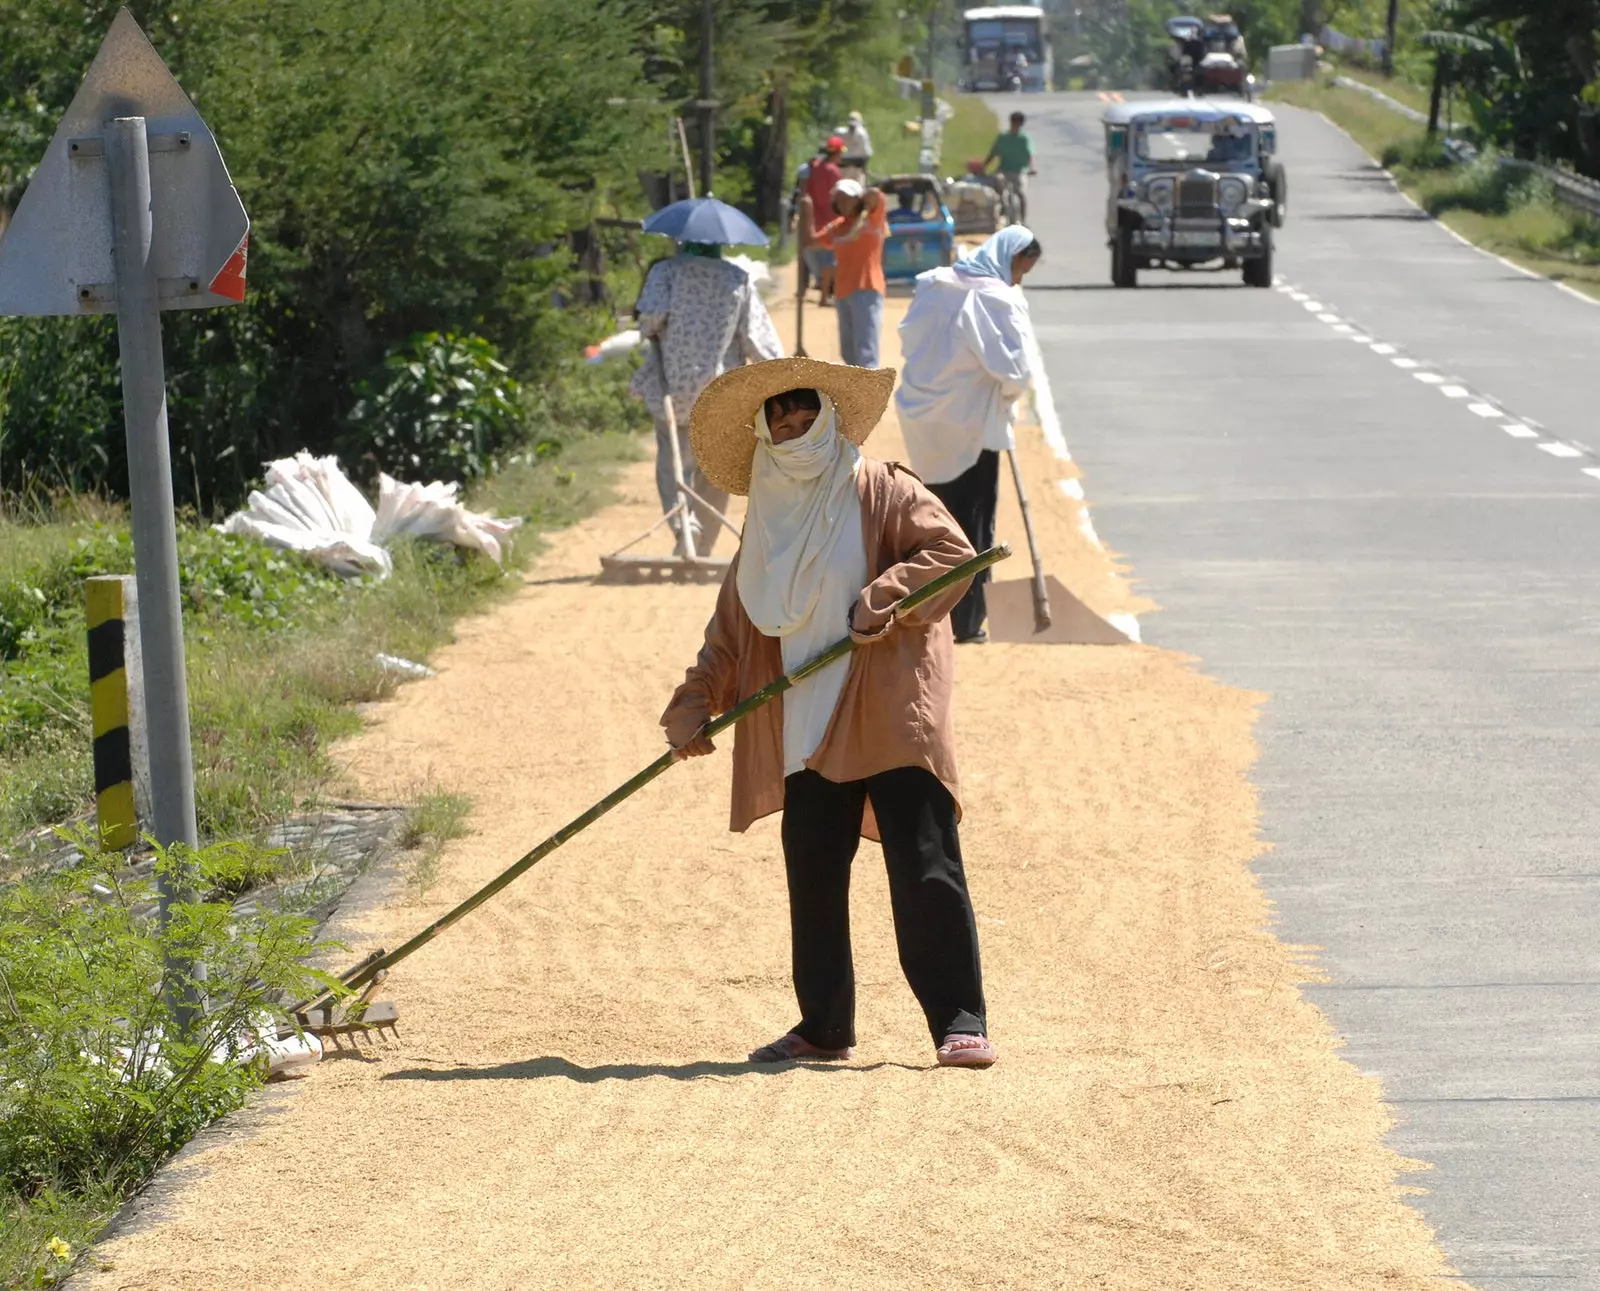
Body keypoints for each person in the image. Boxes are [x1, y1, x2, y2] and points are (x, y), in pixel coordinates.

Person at [661, 356, 998, 1069]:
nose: (794, 425)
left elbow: (951, 552)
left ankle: (959, 1020)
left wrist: (888, 594)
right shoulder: (764, 529)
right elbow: (733, 630)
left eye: (805, 411)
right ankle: (823, 1025)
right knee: (812, 865)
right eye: (779, 418)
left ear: (830, 416)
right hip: (804, 718)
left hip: (890, 703)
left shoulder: (879, 487)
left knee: (923, 859)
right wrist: (696, 701)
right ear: (765, 434)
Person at [894, 227, 1043, 644]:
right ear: (1009, 257)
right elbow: (1016, 371)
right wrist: (1005, 397)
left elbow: (912, 345)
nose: (1019, 280)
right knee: (973, 524)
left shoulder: (933, 284)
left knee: (934, 520)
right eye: (1020, 269)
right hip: (971, 428)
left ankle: (930, 613)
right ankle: (965, 621)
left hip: (924, 425)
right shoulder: (995, 298)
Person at [629, 241, 784, 553]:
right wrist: (780, 379)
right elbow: (759, 340)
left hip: (677, 387)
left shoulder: (666, 271)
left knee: (673, 466)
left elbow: (649, 321)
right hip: (722, 393)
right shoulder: (737, 278)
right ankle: (702, 544)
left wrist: (656, 327)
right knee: (717, 469)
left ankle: (685, 527)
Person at [811, 178, 888, 368]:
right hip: (843, 293)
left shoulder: (872, 220)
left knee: (865, 351)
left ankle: (870, 394)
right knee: (848, 352)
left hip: (867, 289)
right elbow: (811, 241)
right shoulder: (837, 228)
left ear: (858, 199)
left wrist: (865, 198)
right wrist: (805, 211)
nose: (843, 203)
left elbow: (876, 195)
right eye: (839, 199)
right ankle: (855, 394)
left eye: (848, 198)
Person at [802, 137, 845, 305]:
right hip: (829, 220)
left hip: (813, 219)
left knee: (818, 260)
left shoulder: (814, 167)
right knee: (830, 261)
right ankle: (825, 296)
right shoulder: (833, 171)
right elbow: (838, 196)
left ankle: (819, 291)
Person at [984, 111, 1036, 223]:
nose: (1015, 127)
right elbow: (993, 153)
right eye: (1014, 124)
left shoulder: (1024, 139)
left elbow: (1030, 154)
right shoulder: (1003, 137)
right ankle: (1001, 210)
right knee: (998, 182)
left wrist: (1031, 168)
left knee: (1021, 193)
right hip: (1004, 169)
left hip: (1019, 170)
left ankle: (1023, 219)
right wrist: (984, 166)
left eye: (1018, 125)